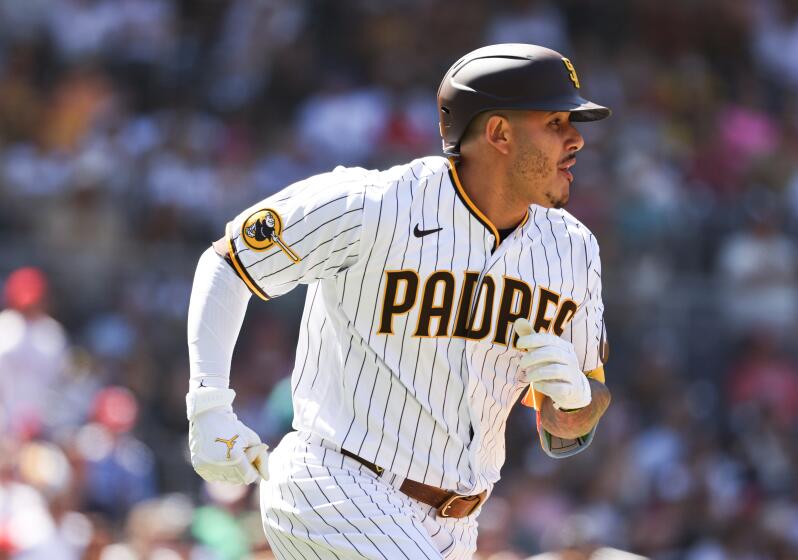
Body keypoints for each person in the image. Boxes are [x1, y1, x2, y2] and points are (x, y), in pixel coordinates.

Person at [186, 43, 612, 560]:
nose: (577, 140)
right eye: (556, 123)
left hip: (458, 524)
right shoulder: (373, 205)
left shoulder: (572, 249)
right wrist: (207, 404)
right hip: (336, 484)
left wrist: (574, 403)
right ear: (498, 132)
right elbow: (230, 260)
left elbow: (569, 427)